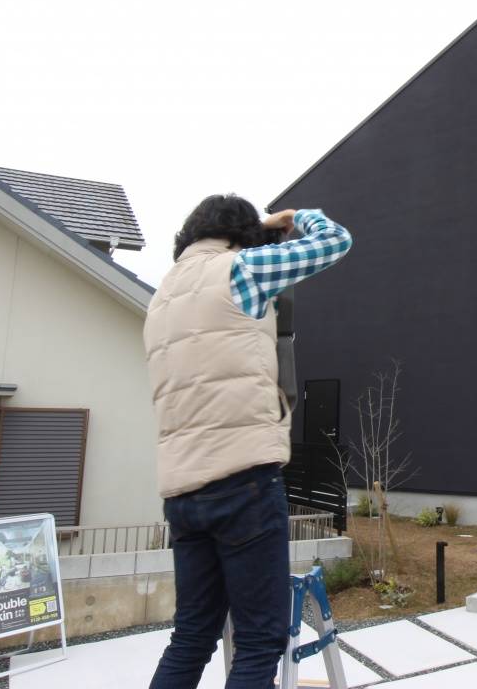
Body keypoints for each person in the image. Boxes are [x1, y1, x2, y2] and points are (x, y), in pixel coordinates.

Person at [143, 196, 352, 689]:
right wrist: (295, 217)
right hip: (244, 483)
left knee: (192, 635)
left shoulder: (162, 296)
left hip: (182, 492)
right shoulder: (243, 270)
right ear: (241, 236)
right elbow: (336, 241)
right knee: (259, 640)